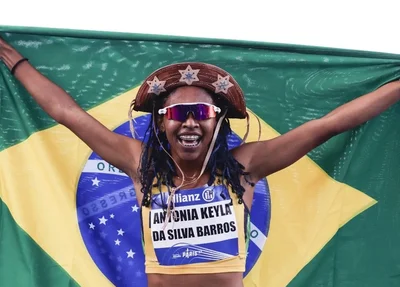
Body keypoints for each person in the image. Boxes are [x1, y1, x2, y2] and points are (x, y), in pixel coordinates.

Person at [1, 37, 399, 287]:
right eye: (177, 113)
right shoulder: (140, 164)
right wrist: (17, 64)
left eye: (201, 113)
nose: (189, 122)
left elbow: (327, 126)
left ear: (218, 121)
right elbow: (67, 113)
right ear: (161, 123)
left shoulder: (244, 167)